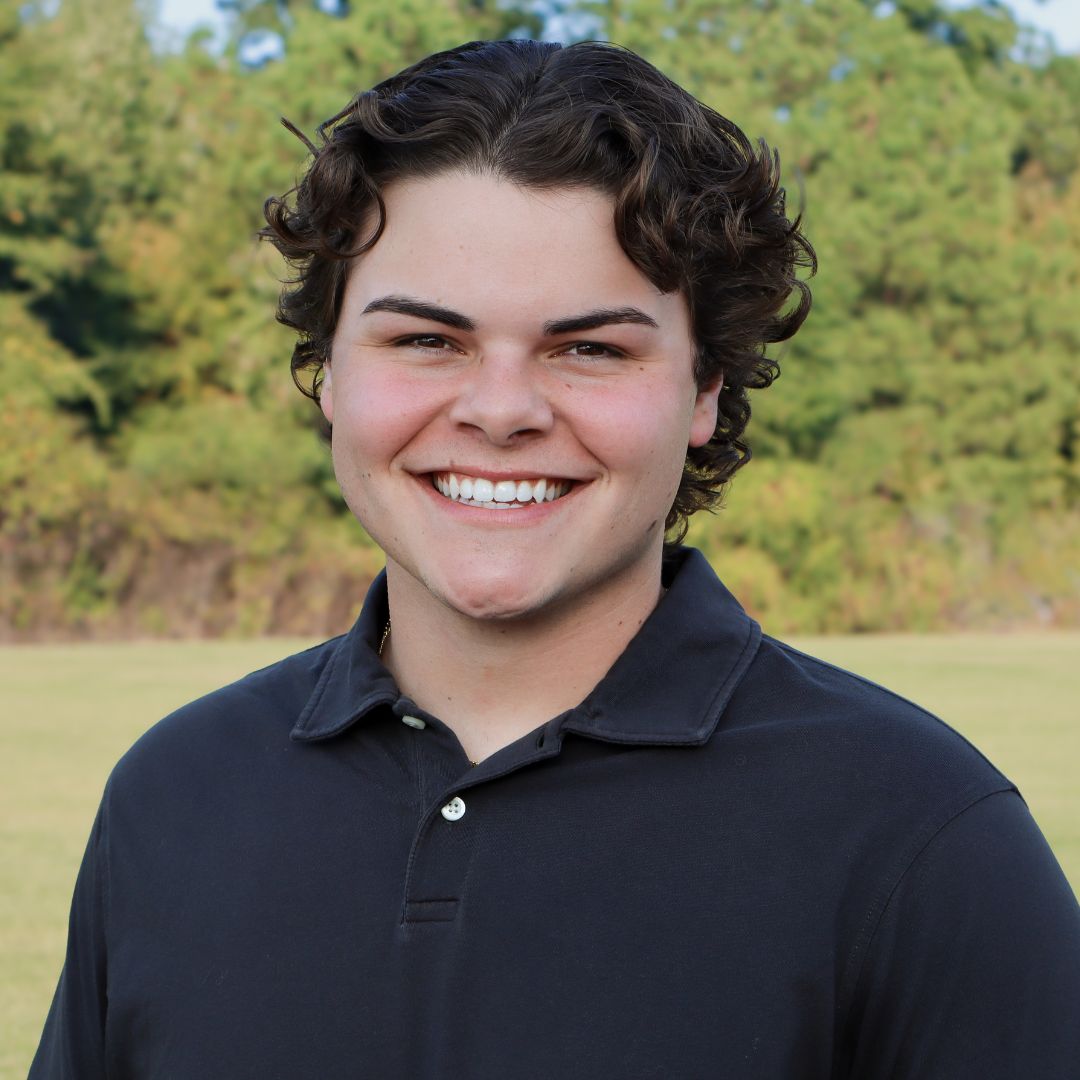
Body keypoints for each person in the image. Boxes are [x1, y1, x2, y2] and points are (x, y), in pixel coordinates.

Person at [31, 38, 1080, 1079]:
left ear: (705, 390)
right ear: (330, 373)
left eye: (589, 349)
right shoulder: (175, 798)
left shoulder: (923, 839)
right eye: (427, 341)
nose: (499, 412)